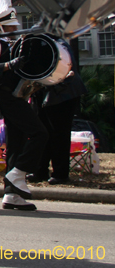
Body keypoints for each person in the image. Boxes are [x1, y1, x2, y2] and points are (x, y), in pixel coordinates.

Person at [0, 0, 48, 211]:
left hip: (17, 96)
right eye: (10, 26)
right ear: (1, 25)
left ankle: (11, 194)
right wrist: (9, 65)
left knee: (15, 145)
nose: (14, 30)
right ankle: (18, 173)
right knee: (40, 134)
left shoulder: (12, 43)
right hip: (7, 98)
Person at [28, 38, 87, 185]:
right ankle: (39, 171)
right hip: (44, 90)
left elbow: (65, 70)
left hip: (63, 93)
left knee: (59, 134)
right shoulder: (37, 44)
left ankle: (60, 174)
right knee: (42, 133)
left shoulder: (59, 45)